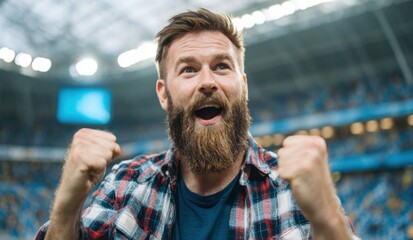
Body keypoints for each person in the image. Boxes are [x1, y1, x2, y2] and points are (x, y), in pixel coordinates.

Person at [36, 8, 359, 239]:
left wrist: (327, 218)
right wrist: (67, 206)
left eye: (221, 66)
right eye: (188, 69)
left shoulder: (292, 192)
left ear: (243, 86)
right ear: (164, 94)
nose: (207, 82)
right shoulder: (124, 185)